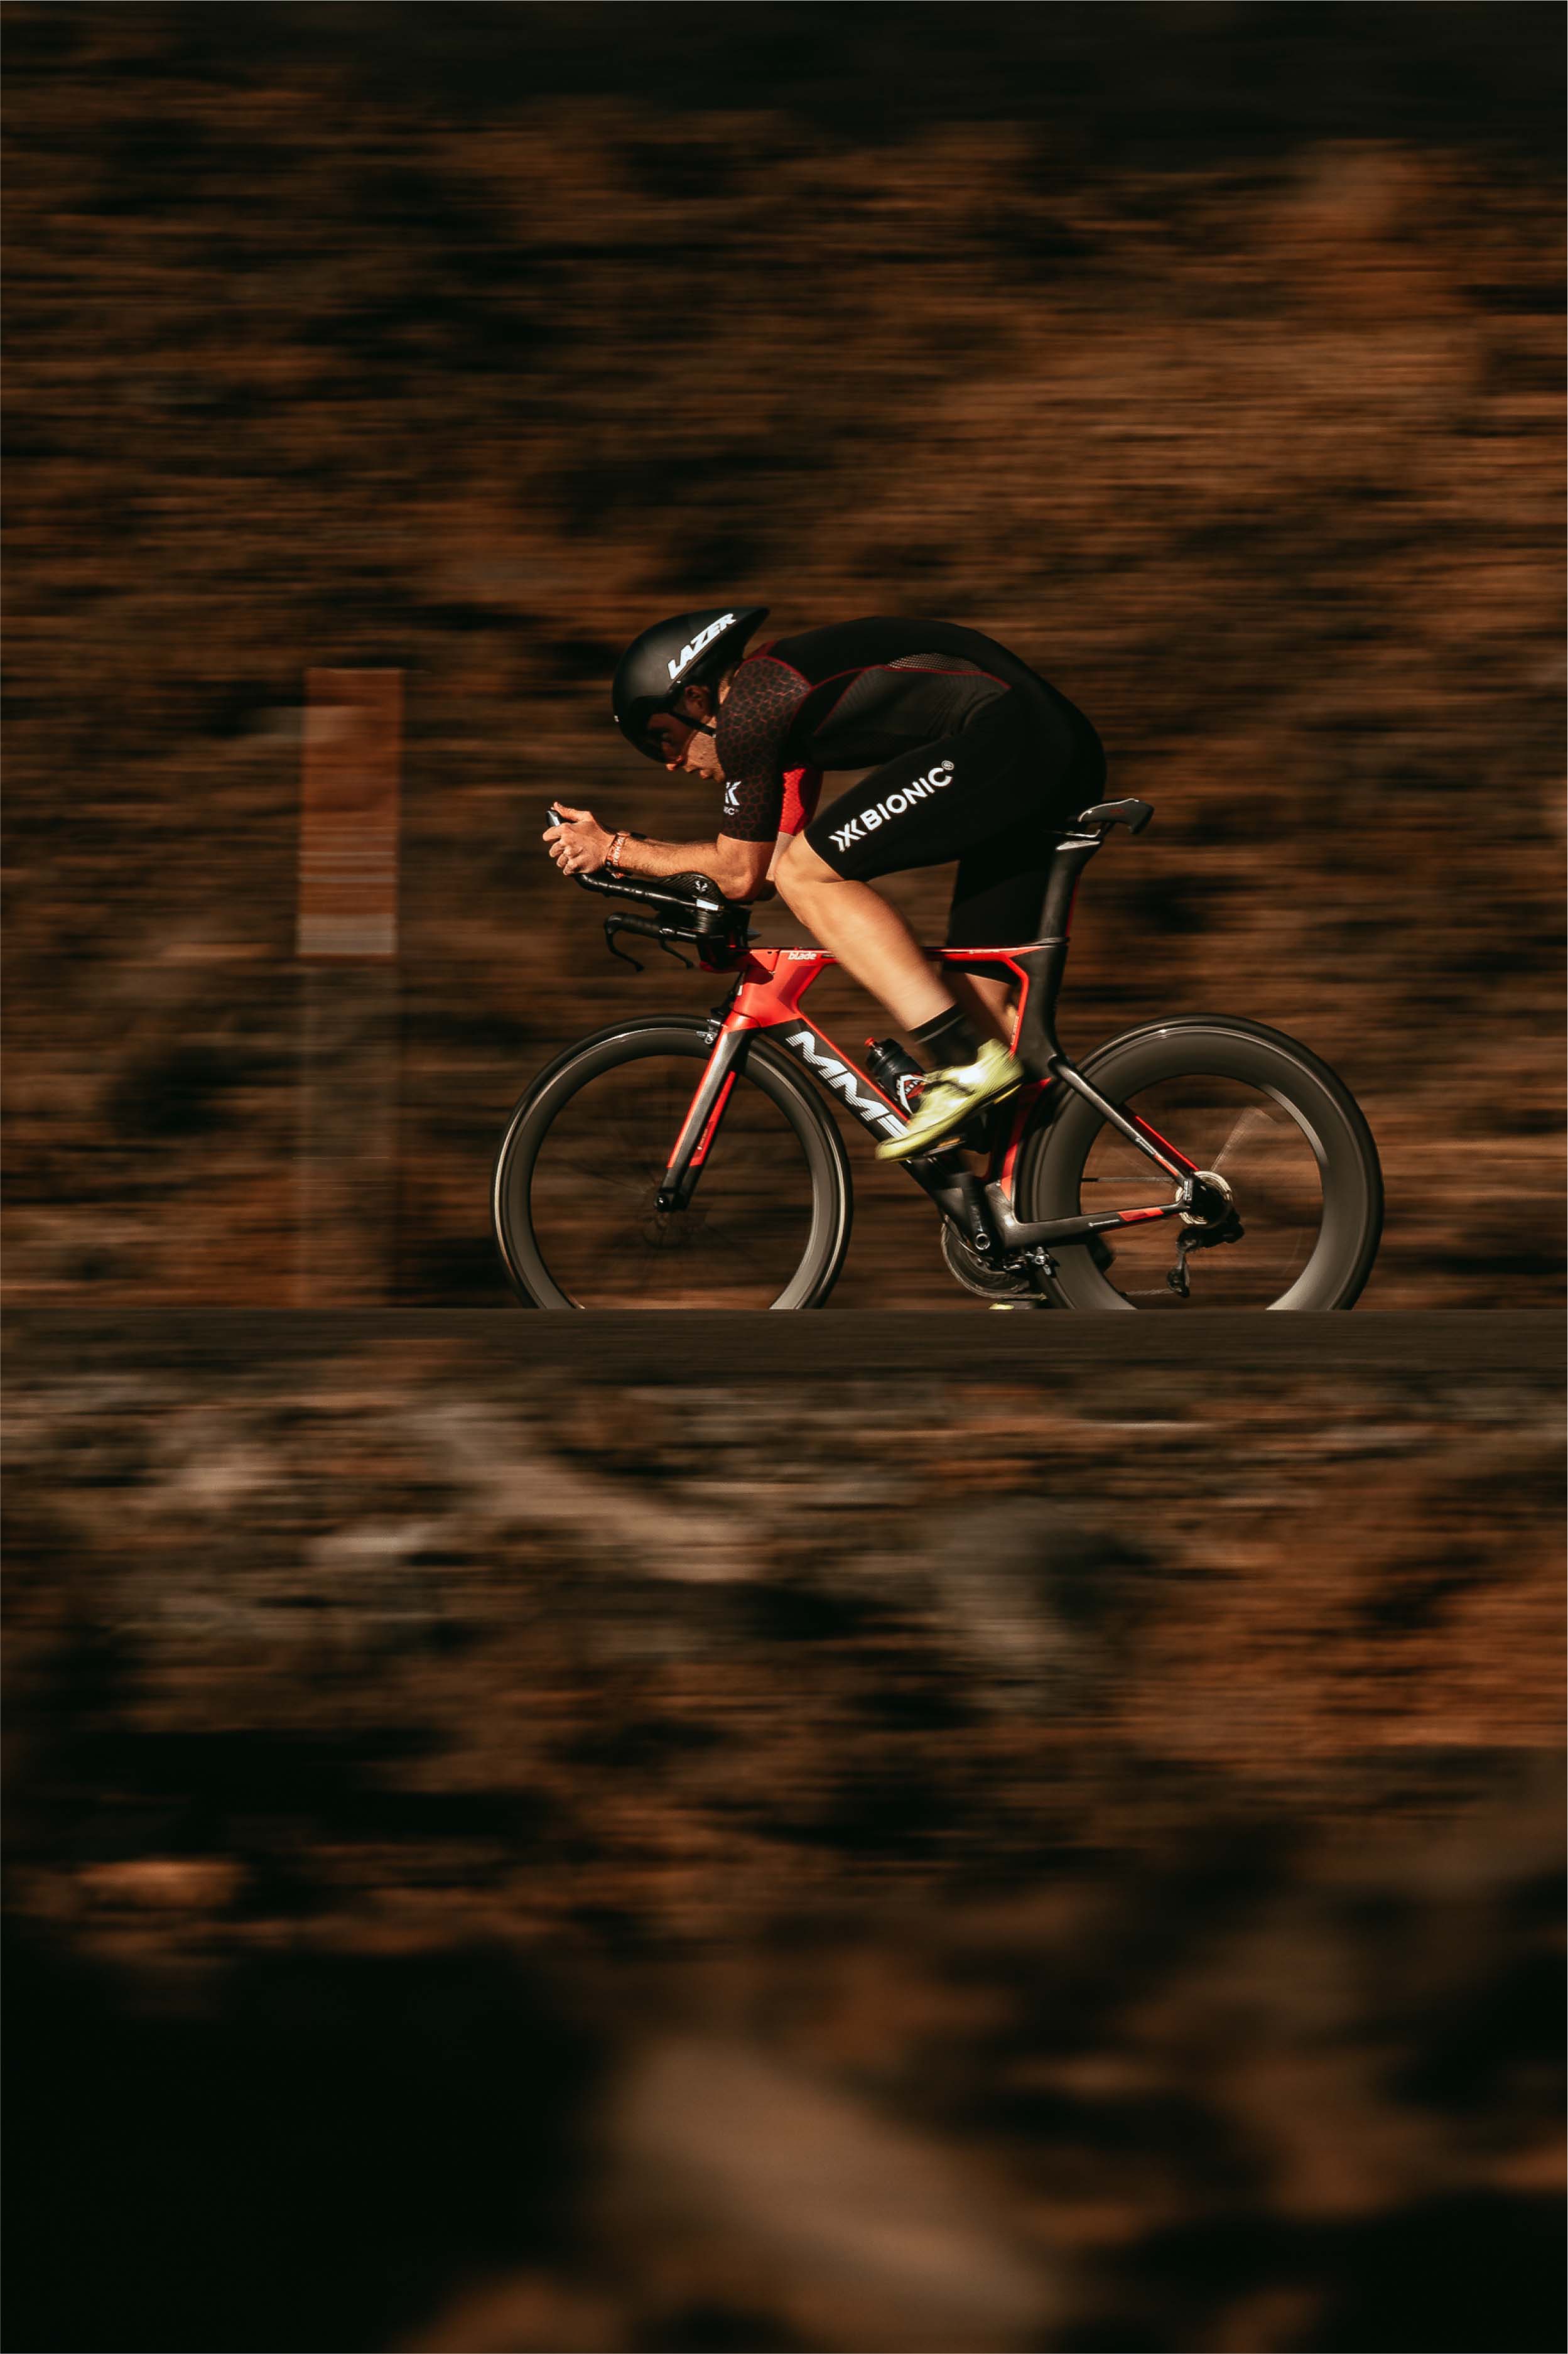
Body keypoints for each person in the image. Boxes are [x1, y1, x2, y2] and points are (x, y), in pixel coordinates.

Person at [544, 607, 1106, 1161]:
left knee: (811, 874)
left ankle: (961, 1065)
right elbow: (762, 872)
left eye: (662, 740)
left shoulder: (750, 710)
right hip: (1042, 748)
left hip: (1014, 740)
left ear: (694, 699)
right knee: (978, 1009)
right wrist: (638, 872)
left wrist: (614, 849)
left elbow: (742, 871)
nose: (668, 763)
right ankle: (1041, 1195)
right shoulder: (779, 720)